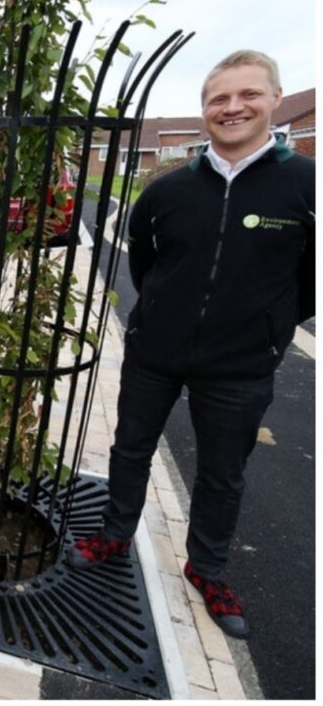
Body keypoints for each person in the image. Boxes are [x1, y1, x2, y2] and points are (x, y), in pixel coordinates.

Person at [66, 50, 315, 640]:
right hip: (155, 353)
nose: (232, 108)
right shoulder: (168, 189)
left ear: (275, 100)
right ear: (204, 108)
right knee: (131, 449)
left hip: (241, 366)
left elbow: (310, 280)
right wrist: (159, 315)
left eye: (248, 95)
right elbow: (144, 259)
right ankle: (115, 534)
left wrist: (273, 325)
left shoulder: (306, 186)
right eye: (218, 99)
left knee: (223, 473)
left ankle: (207, 568)